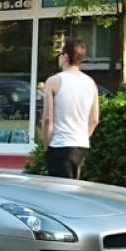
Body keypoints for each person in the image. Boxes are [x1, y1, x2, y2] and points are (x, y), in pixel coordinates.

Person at [41, 38, 99, 179]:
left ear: (66, 56)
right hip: (81, 145)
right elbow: (94, 120)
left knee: (59, 194)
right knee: (73, 190)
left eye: (60, 54)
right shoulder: (91, 83)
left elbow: (48, 119)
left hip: (60, 145)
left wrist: (46, 146)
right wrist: (82, 136)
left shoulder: (54, 81)